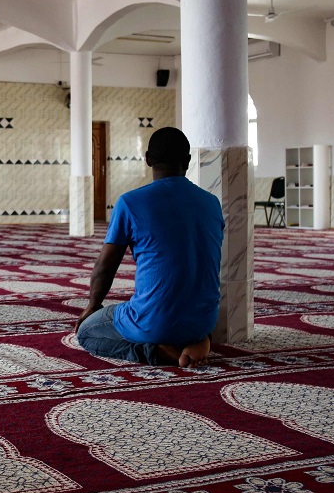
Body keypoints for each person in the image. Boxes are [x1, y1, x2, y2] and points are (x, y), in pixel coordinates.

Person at [75, 127, 224, 368]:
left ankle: (160, 352)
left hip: (155, 322)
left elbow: (105, 267)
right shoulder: (211, 203)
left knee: (87, 333)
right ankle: (201, 340)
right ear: (187, 161)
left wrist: (92, 306)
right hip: (204, 320)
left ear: (147, 159)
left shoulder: (130, 202)